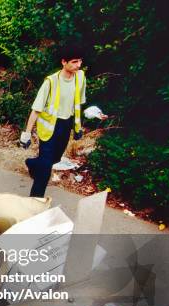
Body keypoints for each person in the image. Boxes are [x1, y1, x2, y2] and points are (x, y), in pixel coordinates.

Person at [20, 44, 107, 197]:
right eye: (74, 62)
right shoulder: (51, 82)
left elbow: (78, 104)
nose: (78, 65)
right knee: (45, 169)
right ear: (63, 62)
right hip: (49, 128)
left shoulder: (80, 77)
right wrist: (26, 134)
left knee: (55, 158)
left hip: (65, 125)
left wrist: (81, 124)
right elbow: (36, 109)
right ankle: (35, 201)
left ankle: (32, 163)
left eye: (80, 61)